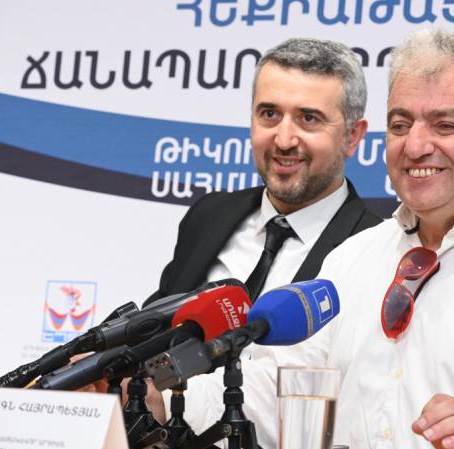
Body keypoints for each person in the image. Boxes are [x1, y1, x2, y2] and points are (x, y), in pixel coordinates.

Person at [155, 30, 454, 449]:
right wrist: (158, 398)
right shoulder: (353, 258)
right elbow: (274, 394)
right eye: (400, 124)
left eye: (445, 125)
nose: (414, 146)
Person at [144, 37, 381, 306]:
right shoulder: (209, 215)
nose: (284, 140)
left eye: (308, 119)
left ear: (352, 136)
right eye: (270, 114)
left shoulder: (376, 251)